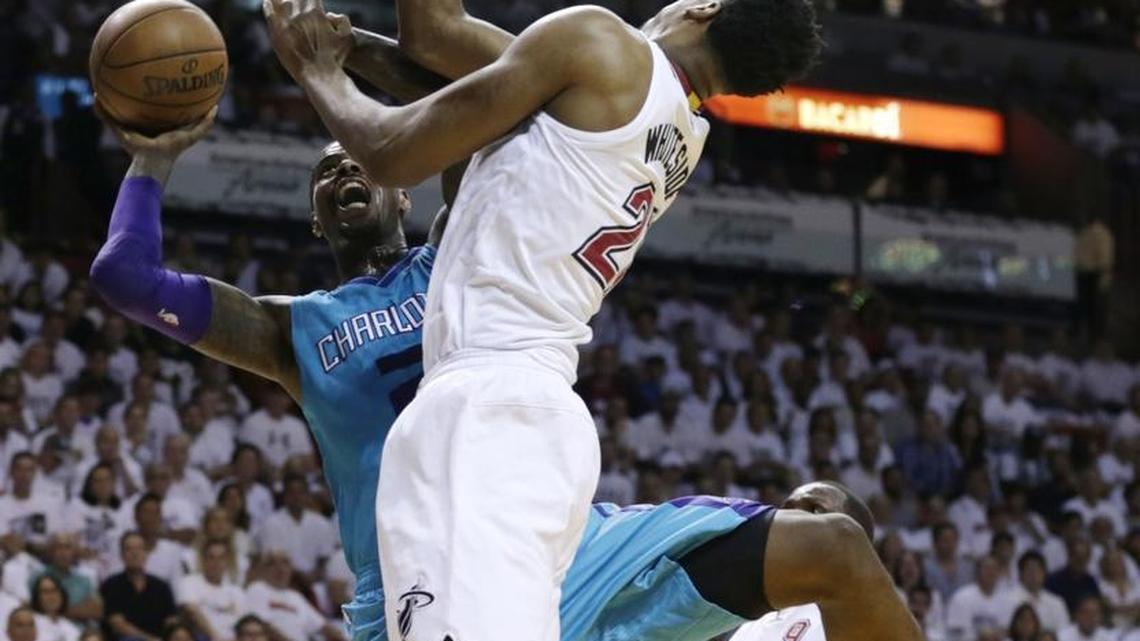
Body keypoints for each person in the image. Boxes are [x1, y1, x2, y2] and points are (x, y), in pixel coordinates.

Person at [92, 26, 916, 641]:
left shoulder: (462, 245)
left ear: (404, 195)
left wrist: (340, 50)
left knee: (831, 530)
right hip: (420, 569)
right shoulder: (291, 330)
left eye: (352, 158)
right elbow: (126, 282)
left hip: (560, 543)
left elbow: (477, 86)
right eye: (325, 174)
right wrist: (158, 154)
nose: (345, 169)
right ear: (314, 218)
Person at [261, 0, 831, 638]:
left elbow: (396, 144)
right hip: (536, 408)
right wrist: (351, 46)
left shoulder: (602, 44)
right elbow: (457, 66)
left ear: (704, 5)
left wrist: (316, 69)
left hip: (487, 404)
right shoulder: (674, 124)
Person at [99, 532, 177, 641]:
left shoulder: (162, 587)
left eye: (139, 548)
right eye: (129, 549)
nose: (135, 553)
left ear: (146, 553)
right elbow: (118, 625)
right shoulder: (111, 585)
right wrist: (151, 639)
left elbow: (171, 621)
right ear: (122, 555)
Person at [176, 540, 248, 641]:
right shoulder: (189, 582)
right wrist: (214, 636)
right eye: (211, 557)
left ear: (227, 561)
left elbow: (243, 622)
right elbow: (191, 611)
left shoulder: (236, 591)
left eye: (221, 558)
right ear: (204, 560)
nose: (216, 562)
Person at [29, 575, 82, 641]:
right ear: (37, 597)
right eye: (45, 592)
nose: (51, 596)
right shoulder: (29, 624)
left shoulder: (71, 628)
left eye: (54, 590)